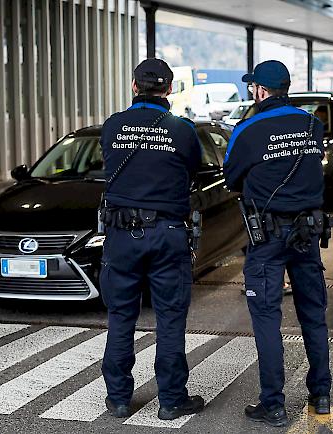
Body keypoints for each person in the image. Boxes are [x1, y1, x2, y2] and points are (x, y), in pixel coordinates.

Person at [223, 60, 332, 427]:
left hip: (267, 236)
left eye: (252, 86)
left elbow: (231, 176)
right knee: (313, 315)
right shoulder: (311, 124)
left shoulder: (247, 128)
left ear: (261, 90)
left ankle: (273, 404)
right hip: (307, 233)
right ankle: (321, 394)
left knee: (267, 319)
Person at [99, 58, 204, 420]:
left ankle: (117, 398)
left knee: (121, 316)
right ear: (169, 90)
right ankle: (172, 400)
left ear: (133, 86)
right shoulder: (183, 130)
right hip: (168, 234)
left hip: (121, 236)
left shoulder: (113, 126)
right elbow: (192, 169)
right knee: (171, 318)